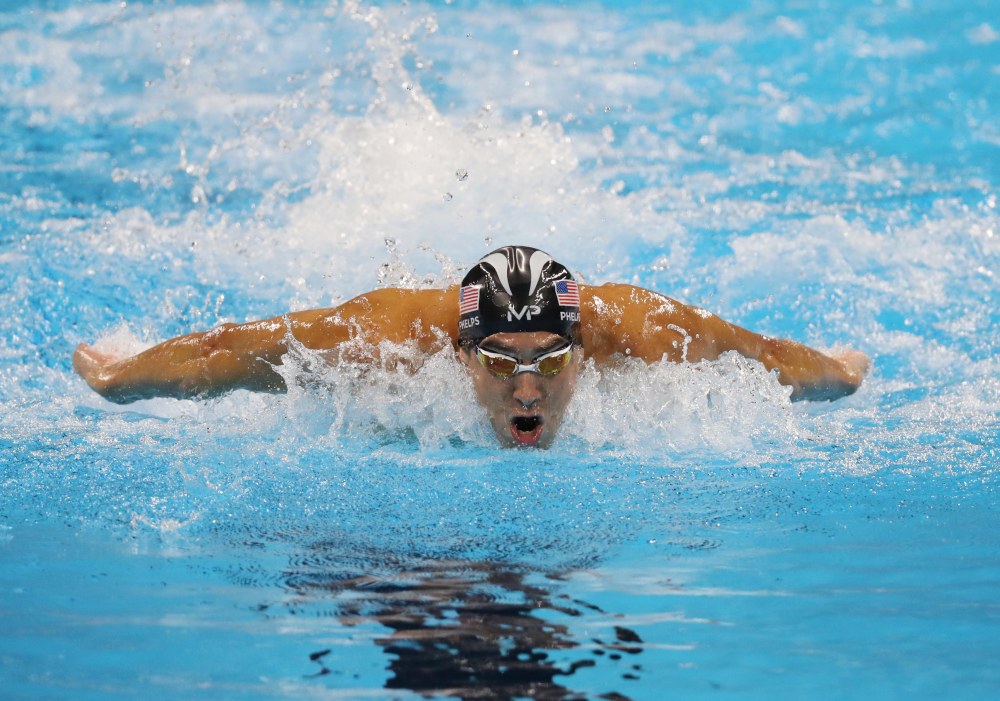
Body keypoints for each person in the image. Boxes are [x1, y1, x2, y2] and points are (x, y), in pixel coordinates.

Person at [73, 245, 870, 447]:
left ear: (582, 349)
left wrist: (837, 373)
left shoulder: (636, 330)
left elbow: (757, 355)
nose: (527, 391)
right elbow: (229, 353)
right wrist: (119, 379)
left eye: (549, 361)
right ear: (459, 356)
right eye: (498, 362)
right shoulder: (383, 341)